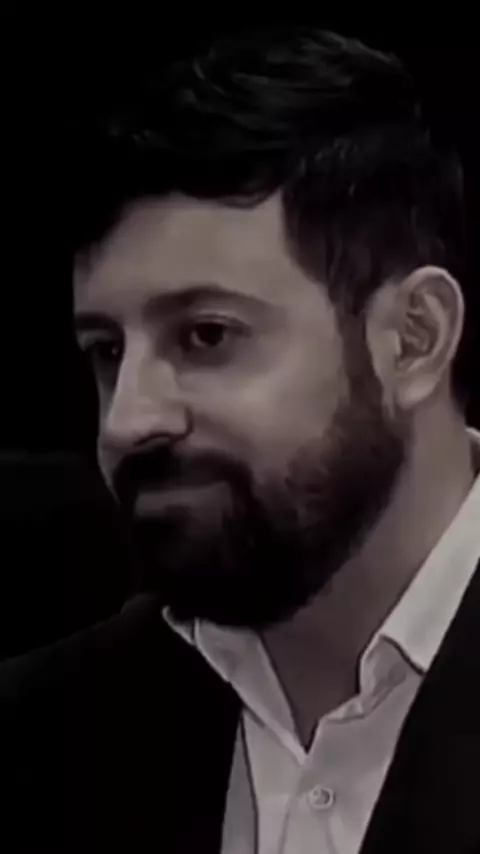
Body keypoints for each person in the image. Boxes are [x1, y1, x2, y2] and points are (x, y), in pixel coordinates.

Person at [1, 27, 479, 854]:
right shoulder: (35, 736)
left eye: (207, 335)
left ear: (412, 339)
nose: (126, 421)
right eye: (106, 351)